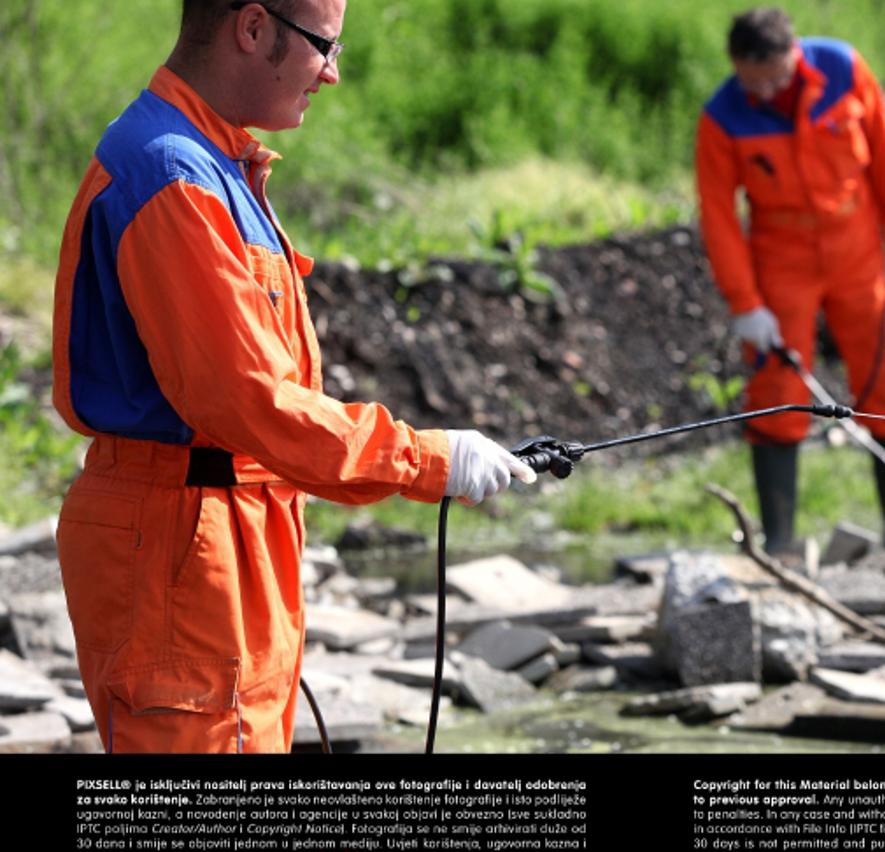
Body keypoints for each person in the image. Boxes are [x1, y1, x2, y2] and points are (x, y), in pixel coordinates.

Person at [51, 0, 535, 754]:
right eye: (324, 46)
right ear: (252, 28)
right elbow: (252, 401)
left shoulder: (208, 163)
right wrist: (426, 459)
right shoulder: (173, 174)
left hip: (219, 535)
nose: (334, 74)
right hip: (185, 548)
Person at [695, 7, 885, 554]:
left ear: (795, 49)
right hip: (782, 257)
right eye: (758, 82)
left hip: (858, 249)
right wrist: (745, 303)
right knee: (777, 390)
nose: (772, 90)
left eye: (779, 76)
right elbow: (719, 217)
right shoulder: (723, 117)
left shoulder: (845, 69)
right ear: (736, 68)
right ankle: (778, 542)